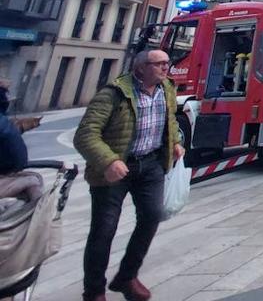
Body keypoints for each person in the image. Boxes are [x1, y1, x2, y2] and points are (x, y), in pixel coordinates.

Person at [74, 50, 183, 301]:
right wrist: (109, 160)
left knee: (152, 216)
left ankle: (127, 276)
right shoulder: (113, 94)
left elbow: (170, 119)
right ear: (141, 67)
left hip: (151, 165)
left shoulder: (166, 88)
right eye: (159, 64)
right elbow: (85, 134)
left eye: (167, 63)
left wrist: (175, 141)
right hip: (115, 170)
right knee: (104, 229)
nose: (166, 68)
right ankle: (94, 291)